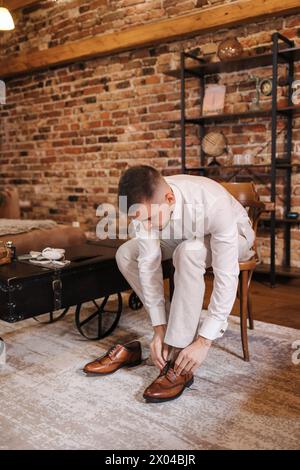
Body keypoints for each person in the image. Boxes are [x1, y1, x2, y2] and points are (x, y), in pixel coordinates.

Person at [83, 165, 255, 403]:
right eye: (142, 220)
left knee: (189, 252)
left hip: (234, 235)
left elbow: (226, 275)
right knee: (125, 254)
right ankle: (171, 330)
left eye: (152, 218)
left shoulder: (212, 202)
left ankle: (180, 356)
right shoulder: (145, 212)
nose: (148, 225)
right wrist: (158, 327)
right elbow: (148, 265)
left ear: (170, 198)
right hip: (182, 232)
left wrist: (205, 341)